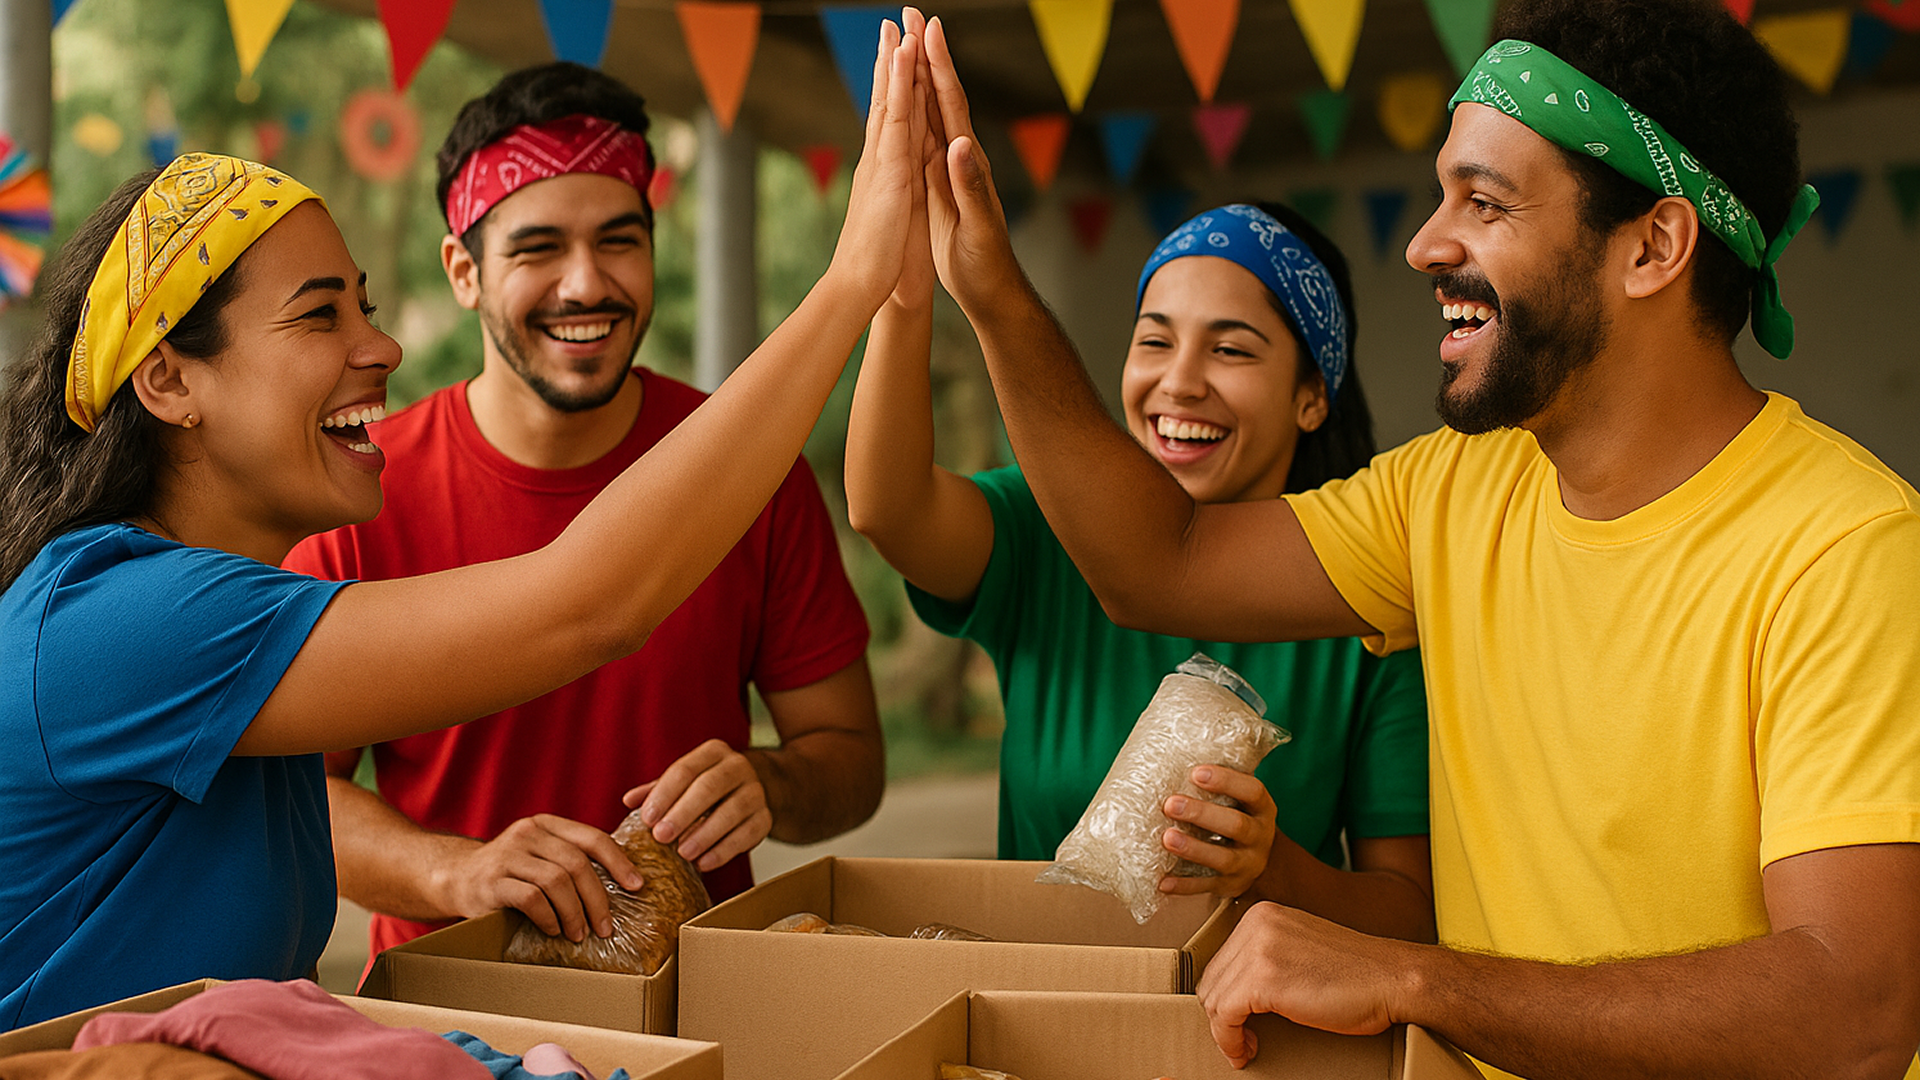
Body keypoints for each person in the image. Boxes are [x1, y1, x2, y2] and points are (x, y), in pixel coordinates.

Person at [905, 2, 1920, 1077]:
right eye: (1442, 196)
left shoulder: (1844, 547)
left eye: (1483, 201)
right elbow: (1158, 564)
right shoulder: (1453, 490)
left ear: (1653, 246)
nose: (1426, 244)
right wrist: (994, 296)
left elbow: (1853, 1008)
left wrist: (1410, 975)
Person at [0, 20, 925, 1029]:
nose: (385, 348)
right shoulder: (130, 618)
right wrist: (852, 283)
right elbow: (590, 606)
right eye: (321, 317)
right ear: (170, 379)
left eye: (367, 306)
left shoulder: (209, 607)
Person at [282, 62, 883, 963]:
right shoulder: (355, 489)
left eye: (619, 240)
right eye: (536, 250)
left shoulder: (751, 470)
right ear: (464, 271)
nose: (584, 285)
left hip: (701, 999)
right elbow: (293, 800)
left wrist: (772, 782)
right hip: (447, 1011)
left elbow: (850, 760)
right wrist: (460, 871)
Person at [846, 28, 1431, 936]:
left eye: (1231, 350)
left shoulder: (1368, 606)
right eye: (1154, 339)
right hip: (1028, 1010)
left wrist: (1270, 866)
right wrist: (906, 287)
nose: (1179, 381)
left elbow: (1407, 915)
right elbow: (886, 506)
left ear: (1312, 398)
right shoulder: (1045, 534)